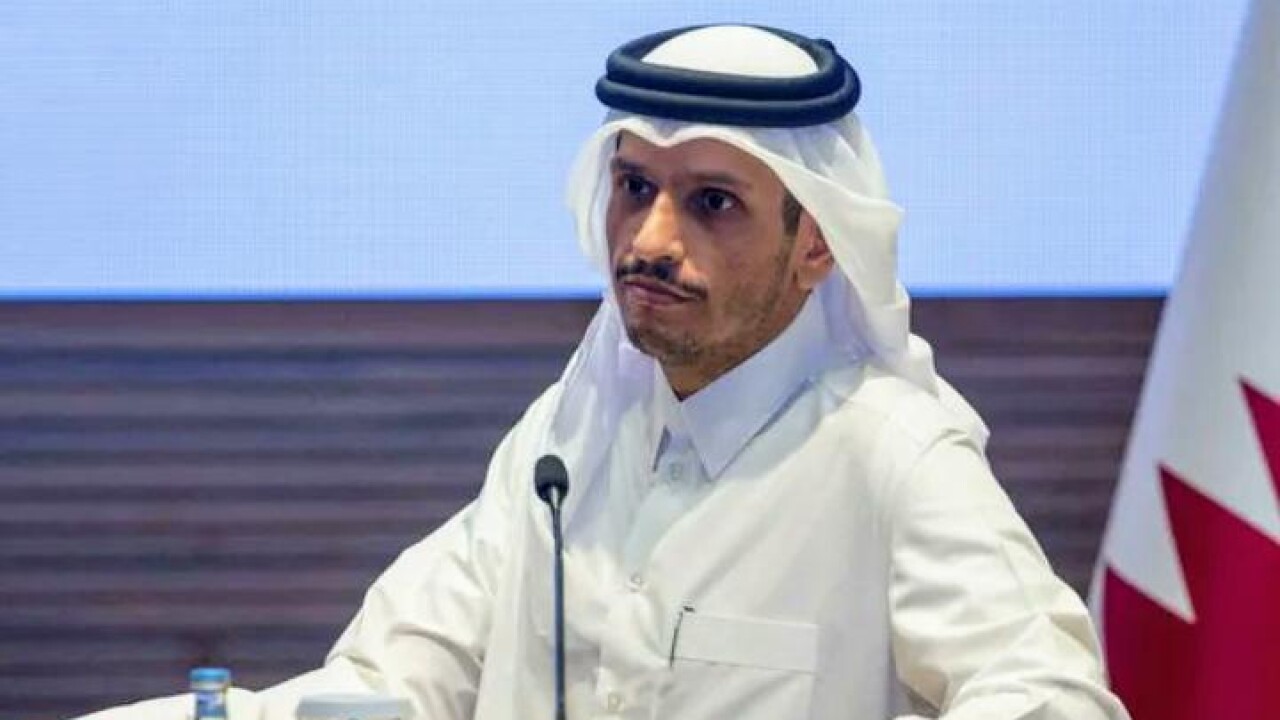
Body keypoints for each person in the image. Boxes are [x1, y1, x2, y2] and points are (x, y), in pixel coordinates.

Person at [84, 24, 1130, 720]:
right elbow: (389, 685)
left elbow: (1051, 699)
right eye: (634, 187)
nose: (650, 240)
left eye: (711, 202)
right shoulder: (567, 434)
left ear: (816, 244)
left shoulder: (892, 456)